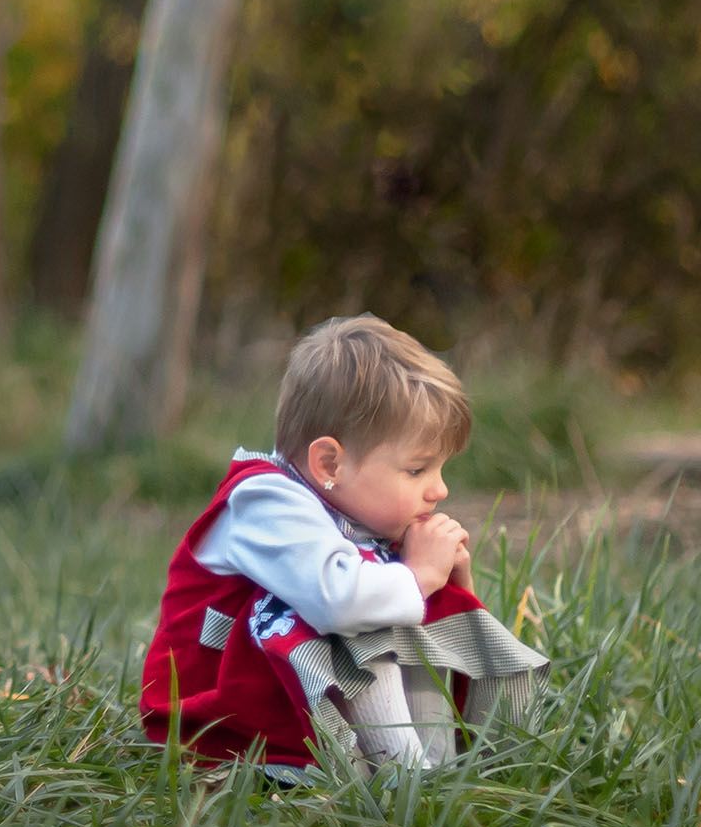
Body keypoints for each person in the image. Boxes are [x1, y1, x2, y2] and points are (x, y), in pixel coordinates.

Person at [139, 314, 545, 774]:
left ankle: (437, 768)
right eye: (417, 470)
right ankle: (404, 776)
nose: (440, 489)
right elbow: (337, 602)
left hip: (277, 710)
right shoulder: (263, 502)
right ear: (329, 463)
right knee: (367, 606)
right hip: (211, 723)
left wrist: (444, 581)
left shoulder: (359, 517)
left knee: (393, 603)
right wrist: (416, 576)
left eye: (440, 470)